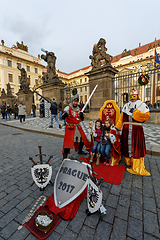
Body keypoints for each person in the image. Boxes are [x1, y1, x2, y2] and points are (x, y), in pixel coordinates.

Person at [116, 89, 150, 176]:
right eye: (131, 97)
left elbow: (146, 116)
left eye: (134, 96)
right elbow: (121, 118)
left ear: (137, 96)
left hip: (136, 130)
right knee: (126, 145)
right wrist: (118, 127)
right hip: (126, 129)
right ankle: (129, 162)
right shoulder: (126, 105)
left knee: (136, 147)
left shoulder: (142, 105)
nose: (132, 98)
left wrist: (135, 112)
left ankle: (137, 166)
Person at [62, 94, 90, 159]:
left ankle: (80, 150)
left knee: (82, 139)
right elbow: (62, 117)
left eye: (76, 102)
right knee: (68, 142)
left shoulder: (79, 109)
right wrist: (65, 115)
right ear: (72, 101)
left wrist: (81, 115)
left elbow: (82, 119)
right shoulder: (68, 108)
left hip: (77, 126)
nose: (75, 103)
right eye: (74, 101)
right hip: (70, 127)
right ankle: (64, 156)